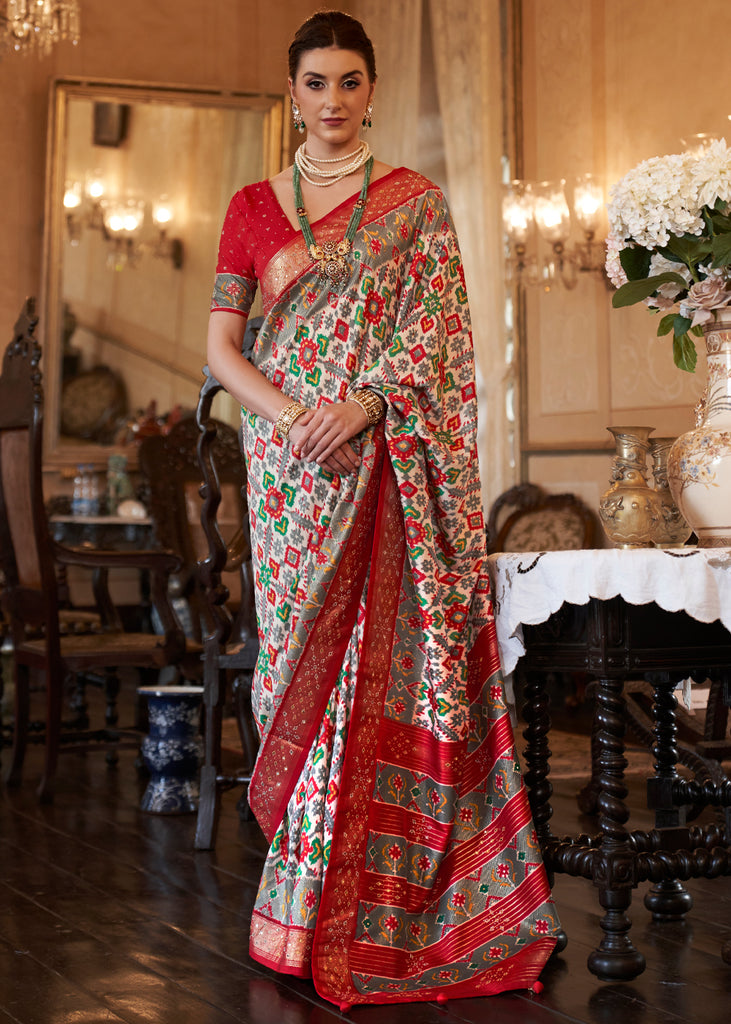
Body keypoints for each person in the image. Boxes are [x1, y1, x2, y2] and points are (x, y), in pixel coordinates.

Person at [206, 9, 561, 1009]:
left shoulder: (414, 205)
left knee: (371, 657)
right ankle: (302, 892)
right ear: (291, 93)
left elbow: (441, 341)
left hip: (377, 459)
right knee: (297, 664)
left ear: (370, 90)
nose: (331, 102)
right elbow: (221, 351)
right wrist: (293, 420)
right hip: (288, 471)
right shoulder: (250, 207)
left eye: (348, 83)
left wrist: (361, 407)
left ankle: (350, 902)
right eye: (313, 83)